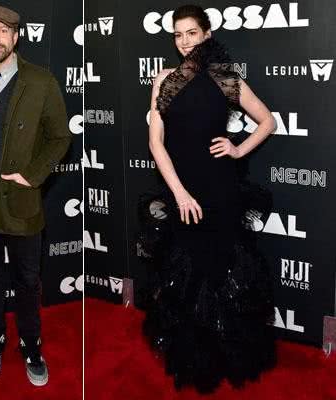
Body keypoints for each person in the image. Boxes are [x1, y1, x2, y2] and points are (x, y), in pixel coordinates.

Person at [140, 4, 277, 394]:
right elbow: (155, 143)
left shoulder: (225, 79)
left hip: (220, 188)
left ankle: (225, 355)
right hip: (182, 188)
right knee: (187, 274)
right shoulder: (164, 79)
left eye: (191, 33)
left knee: (222, 268)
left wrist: (237, 149)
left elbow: (267, 120)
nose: (184, 42)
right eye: (178, 35)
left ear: (207, 34)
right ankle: (193, 355)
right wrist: (179, 193)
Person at [0, 5, 71, 387]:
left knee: (26, 278)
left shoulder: (40, 81)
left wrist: (34, 175)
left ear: (16, 37)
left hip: (21, 201)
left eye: (2, 31)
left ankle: (31, 344)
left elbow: (61, 138)